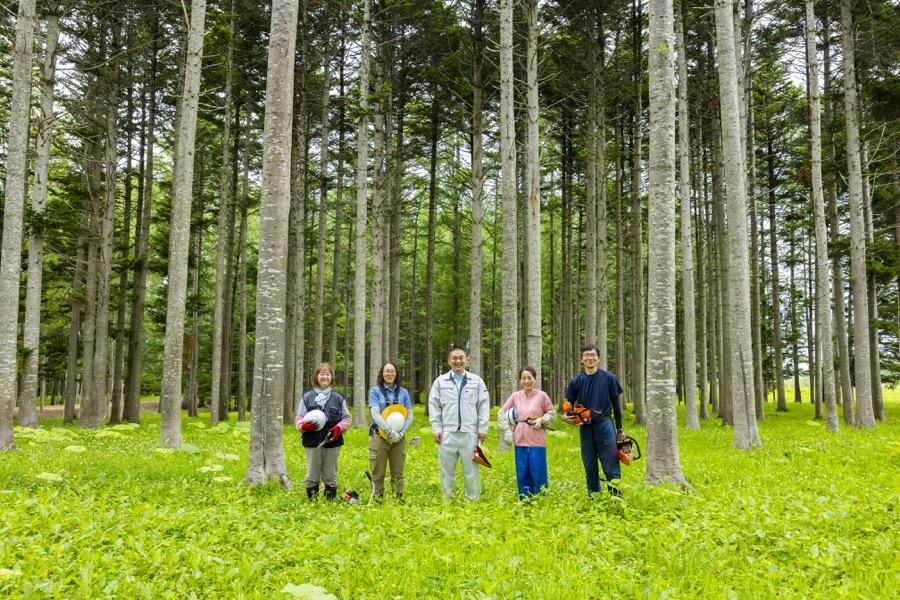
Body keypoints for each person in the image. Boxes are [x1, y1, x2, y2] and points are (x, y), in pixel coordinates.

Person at [562, 344, 626, 497]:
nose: (590, 358)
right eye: (586, 355)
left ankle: (616, 499)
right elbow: (568, 404)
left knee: (611, 465)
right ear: (581, 359)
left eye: (593, 355)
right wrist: (565, 416)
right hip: (585, 428)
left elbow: (616, 407)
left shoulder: (609, 378)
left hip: (605, 427)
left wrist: (620, 430)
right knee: (589, 466)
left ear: (598, 359)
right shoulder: (576, 381)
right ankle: (594, 498)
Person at [428, 346, 490, 501]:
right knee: (447, 471)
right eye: (454, 358)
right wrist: (436, 429)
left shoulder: (476, 381)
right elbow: (434, 406)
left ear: (466, 360)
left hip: (470, 434)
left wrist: (482, 428)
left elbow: (483, 405)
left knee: (471, 470)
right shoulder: (440, 382)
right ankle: (447, 501)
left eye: (461, 358)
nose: (458, 361)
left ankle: (472, 501)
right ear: (449, 361)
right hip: (447, 434)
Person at [296, 363, 352, 500]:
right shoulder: (307, 397)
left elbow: (347, 418)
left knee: (330, 474)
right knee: (312, 473)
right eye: (322, 374)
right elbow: (298, 418)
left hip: (332, 441)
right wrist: (303, 426)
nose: (325, 377)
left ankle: (329, 504)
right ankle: (313, 503)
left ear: (331, 377)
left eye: (328, 374)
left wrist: (339, 428)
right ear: (317, 377)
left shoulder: (339, 398)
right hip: (312, 442)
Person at [498, 366, 556, 499]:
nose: (526, 381)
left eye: (529, 378)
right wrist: (506, 430)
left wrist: (542, 420)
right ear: (520, 380)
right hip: (520, 439)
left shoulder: (542, 396)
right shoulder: (515, 396)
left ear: (535, 379)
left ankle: (541, 498)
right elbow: (501, 413)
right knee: (522, 472)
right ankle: (524, 499)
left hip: (537, 441)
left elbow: (552, 414)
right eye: (523, 378)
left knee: (537, 472)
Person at [368, 361, 414, 500]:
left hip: (398, 439)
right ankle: (377, 499)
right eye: (387, 371)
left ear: (396, 373)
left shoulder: (404, 392)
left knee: (398, 472)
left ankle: (398, 499)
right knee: (378, 471)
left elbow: (410, 414)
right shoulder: (375, 391)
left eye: (392, 371)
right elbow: (375, 413)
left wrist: (401, 433)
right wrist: (388, 431)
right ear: (382, 373)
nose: (389, 373)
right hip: (380, 437)